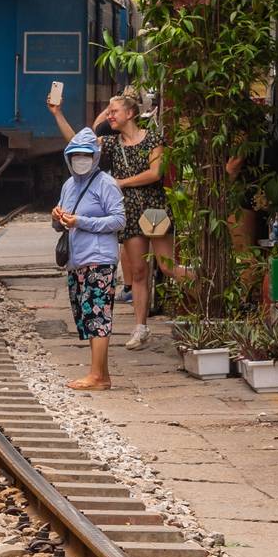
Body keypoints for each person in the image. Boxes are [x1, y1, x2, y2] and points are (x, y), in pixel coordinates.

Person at [49, 88, 175, 349]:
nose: (109, 115)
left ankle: (207, 286)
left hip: (153, 208)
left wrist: (121, 182)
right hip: (129, 211)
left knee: (167, 266)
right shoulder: (111, 143)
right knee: (139, 271)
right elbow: (77, 144)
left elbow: (155, 173)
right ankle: (141, 328)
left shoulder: (152, 138)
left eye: (114, 110)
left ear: (130, 113)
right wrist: (57, 113)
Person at [54, 129, 126, 392]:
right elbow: (62, 224)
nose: (80, 160)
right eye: (75, 156)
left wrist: (81, 222)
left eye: (85, 155)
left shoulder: (106, 184)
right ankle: (102, 375)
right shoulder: (69, 186)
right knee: (87, 315)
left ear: (95, 157)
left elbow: (119, 220)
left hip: (99, 258)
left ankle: (97, 376)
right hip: (77, 259)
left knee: (97, 314)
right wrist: (58, 217)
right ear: (68, 158)